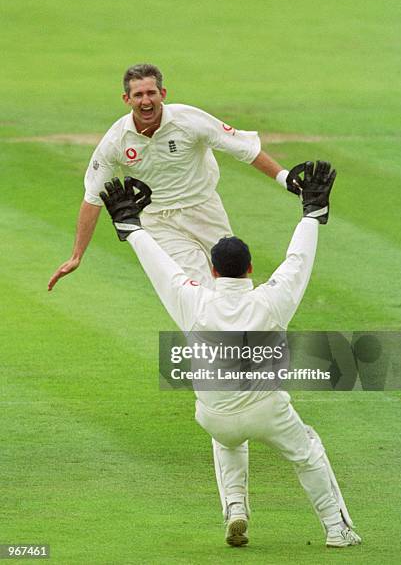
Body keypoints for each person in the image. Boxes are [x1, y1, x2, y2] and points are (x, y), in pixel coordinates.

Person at [97, 162, 362, 549]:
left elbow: (162, 268)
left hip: (214, 414)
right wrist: (311, 213)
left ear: (214, 271)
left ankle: (236, 508)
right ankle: (337, 530)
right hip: (268, 411)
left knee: (227, 437)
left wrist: (133, 227)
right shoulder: (271, 301)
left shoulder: (193, 301)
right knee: (307, 452)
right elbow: (297, 263)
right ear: (250, 268)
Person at [48, 62, 299, 291]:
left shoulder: (189, 120)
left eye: (151, 93)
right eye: (138, 95)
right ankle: (210, 341)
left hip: (205, 209)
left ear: (163, 94)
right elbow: (93, 198)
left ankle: (245, 340)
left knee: (234, 284)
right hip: (160, 221)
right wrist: (76, 255)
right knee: (199, 290)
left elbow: (245, 149)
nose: (145, 101)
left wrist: (286, 178)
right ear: (127, 99)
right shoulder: (116, 140)